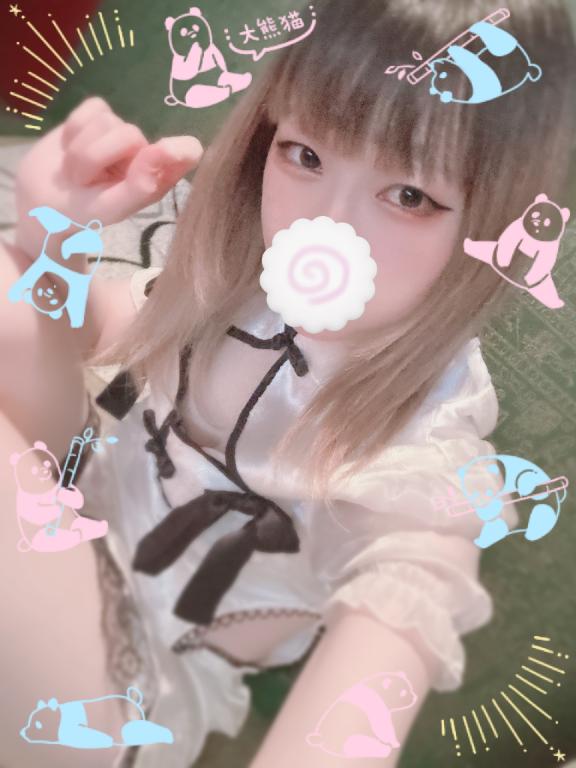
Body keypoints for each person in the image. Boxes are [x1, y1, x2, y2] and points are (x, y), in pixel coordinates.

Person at [1, 1, 575, 766]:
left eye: (409, 196)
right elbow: (104, 327)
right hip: (78, 498)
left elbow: (410, 588)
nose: (325, 227)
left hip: (139, 674)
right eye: (305, 155)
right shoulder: (238, 278)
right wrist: (51, 239)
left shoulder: (422, 446)